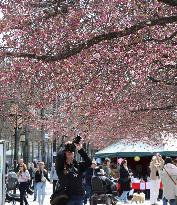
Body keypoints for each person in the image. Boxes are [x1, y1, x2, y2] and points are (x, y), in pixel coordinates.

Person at [53, 140, 92, 205]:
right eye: (68, 154)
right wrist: (66, 147)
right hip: (67, 197)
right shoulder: (61, 167)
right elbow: (59, 156)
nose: (70, 155)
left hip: (79, 197)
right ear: (65, 155)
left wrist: (80, 149)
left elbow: (89, 162)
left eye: (72, 154)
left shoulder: (78, 166)